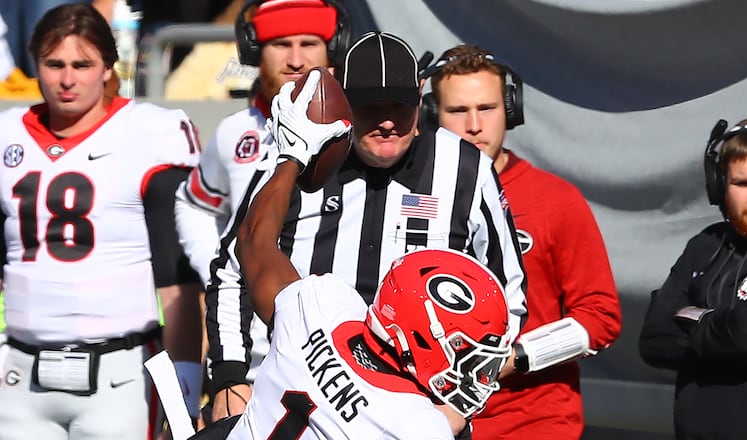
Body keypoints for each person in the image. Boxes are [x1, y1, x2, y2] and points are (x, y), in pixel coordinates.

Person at [205, 31, 528, 433]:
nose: (387, 122)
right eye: (371, 108)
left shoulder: (465, 168)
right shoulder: (304, 157)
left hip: (413, 403)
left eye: (399, 107)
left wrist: (454, 402)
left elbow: (506, 298)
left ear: (420, 95)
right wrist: (230, 376)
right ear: (344, 100)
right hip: (291, 378)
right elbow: (233, 268)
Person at [0, 4, 204, 438]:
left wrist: (181, 400)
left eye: (82, 65)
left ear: (109, 67)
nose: (67, 79)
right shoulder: (7, 134)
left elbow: (180, 284)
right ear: (35, 64)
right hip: (18, 371)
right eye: (54, 64)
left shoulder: (150, 131)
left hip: (122, 375)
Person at [425, 44, 622, 439]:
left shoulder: (555, 200)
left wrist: (513, 358)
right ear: (432, 115)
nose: (474, 125)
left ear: (510, 110)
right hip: (427, 420)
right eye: (458, 111)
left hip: (533, 422)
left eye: (487, 108)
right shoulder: (408, 196)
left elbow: (601, 316)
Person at [172, 0, 352, 422]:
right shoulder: (235, 132)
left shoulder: (355, 133)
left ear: (333, 49)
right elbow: (194, 203)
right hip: (251, 359)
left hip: (340, 357)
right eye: (280, 44)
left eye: (309, 43)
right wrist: (222, 266)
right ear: (254, 49)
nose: (296, 59)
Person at [639, 115, 747, 439]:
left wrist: (694, 319)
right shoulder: (706, 244)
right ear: (719, 186)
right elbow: (654, 340)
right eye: (741, 184)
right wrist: (726, 333)